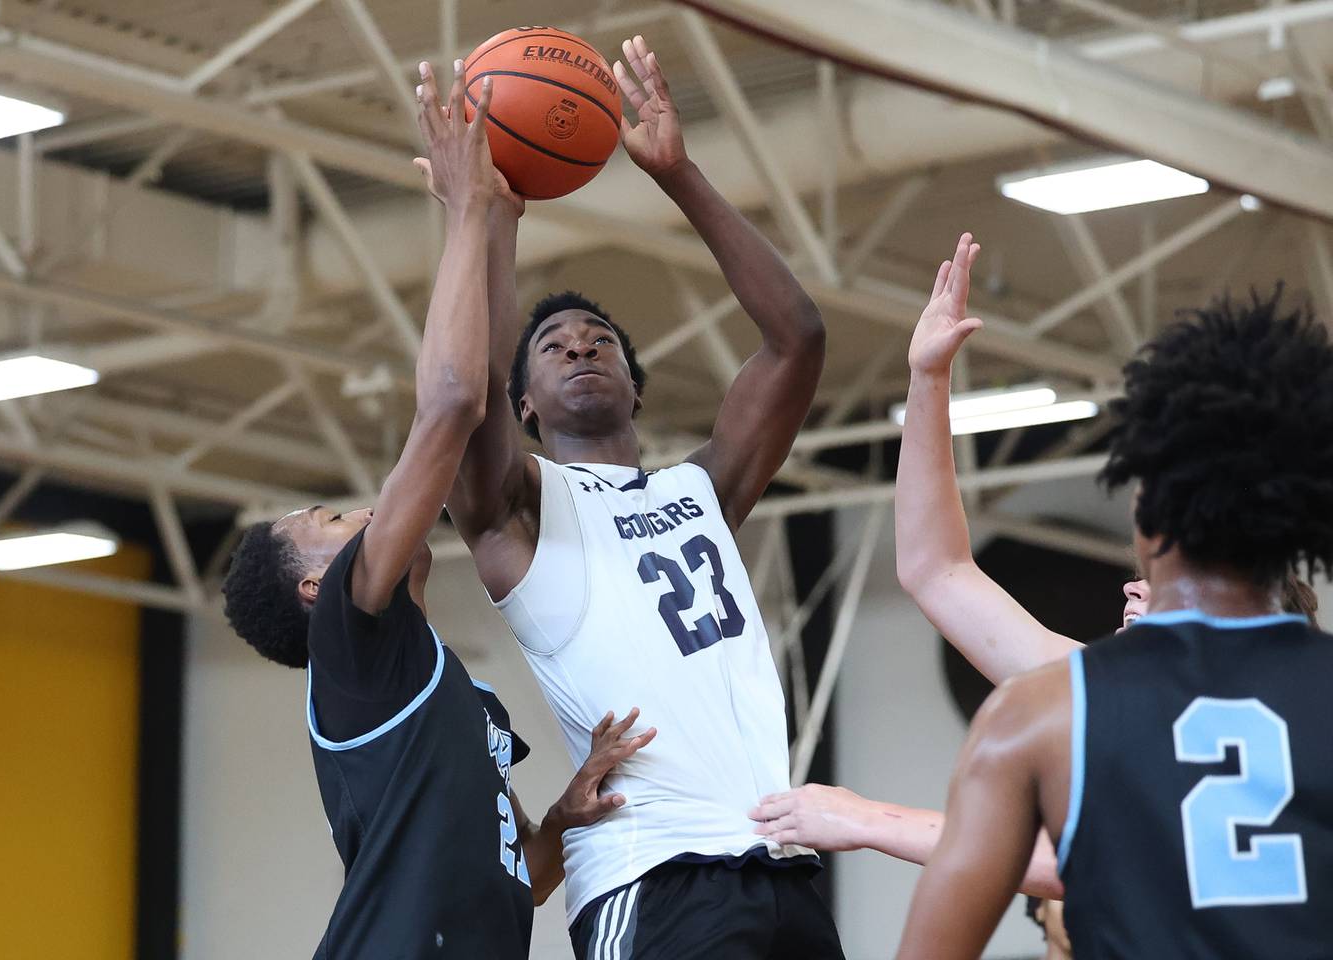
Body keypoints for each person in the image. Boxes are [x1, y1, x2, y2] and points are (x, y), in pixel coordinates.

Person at [219, 66, 651, 960]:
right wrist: (462, 212)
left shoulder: (429, 684)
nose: (367, 513)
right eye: (332, 519)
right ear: (315, 587)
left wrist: (500, 219)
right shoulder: (350, 641)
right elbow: (454, 404)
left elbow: (515, 879)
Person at [750, 236, 1320, 900]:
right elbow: (936, 569)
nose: (1135, 583)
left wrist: (870, 819)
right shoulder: (1136, 689)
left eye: (1165, 577)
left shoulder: (1134, 700)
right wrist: (928, 381)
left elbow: (1058, 862)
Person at [441, 34, 843, 960]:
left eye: (599, 340)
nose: (580, 347)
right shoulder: (518, 509)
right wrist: (497, 221)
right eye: (554, 348)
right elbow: (466, 398)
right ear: (526, 405)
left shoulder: (703, 487)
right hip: (646, 875)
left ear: (634, 382)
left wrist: (680, 174)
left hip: (775, 858)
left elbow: (798, 340)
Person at [892, 270, 1333, 958]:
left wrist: (928, 381)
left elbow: (935, 569)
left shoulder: (1056, 707)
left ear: (1148, 515)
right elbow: (936, 571)